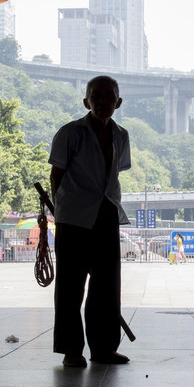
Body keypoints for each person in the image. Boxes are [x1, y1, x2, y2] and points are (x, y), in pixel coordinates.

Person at [49, 75, 131, 368]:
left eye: (109, 96)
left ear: (118, 102)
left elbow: (113, 174)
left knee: (107, 286)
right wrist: (61, 212)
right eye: (96, 95)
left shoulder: (121, 135)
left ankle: (104, 349)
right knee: (71, 287)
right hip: (73, 218)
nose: (102, 101)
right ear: (87, 101)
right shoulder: (70, 133)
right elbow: (55, 176)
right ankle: (72, 350)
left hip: (106, 213)